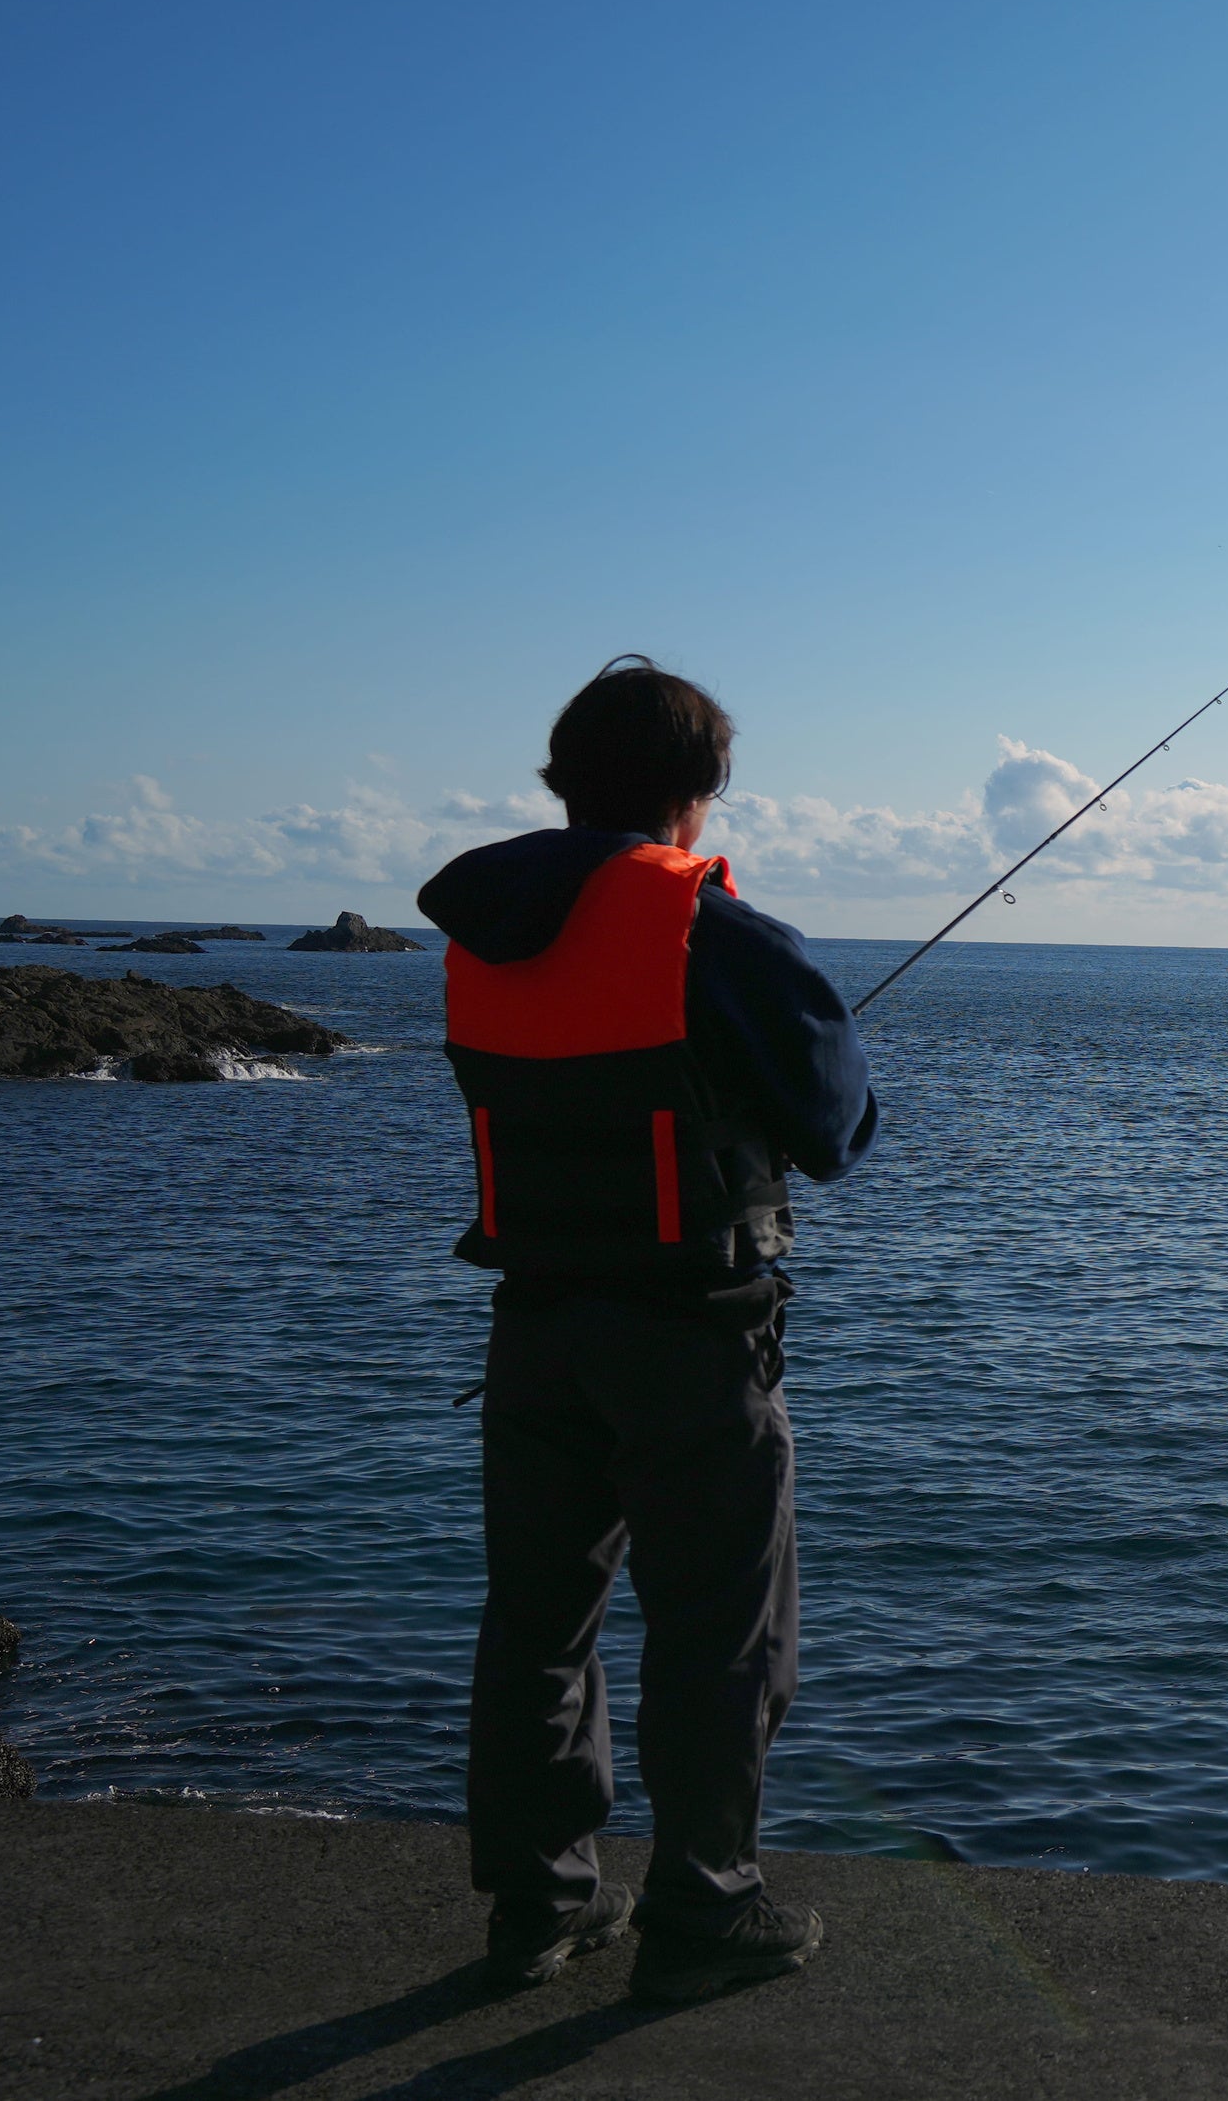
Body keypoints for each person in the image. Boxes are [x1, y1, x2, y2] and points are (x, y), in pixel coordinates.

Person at [416, 657, 877, 2001]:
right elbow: (836, 1131)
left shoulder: (480, 933)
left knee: (537, 1624)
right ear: (702, 787)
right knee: (722, 1628)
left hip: (535, 1328)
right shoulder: (714, 933)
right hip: (691, 1333)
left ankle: (539, 1905)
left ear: (563, 784)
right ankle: (701, 1907)